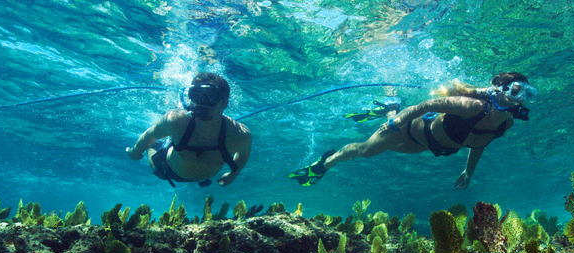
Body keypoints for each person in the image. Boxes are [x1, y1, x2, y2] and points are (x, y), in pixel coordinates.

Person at [288, 72, 537, 189]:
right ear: (500, 89)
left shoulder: (506, 123)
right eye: (517, 90)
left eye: (528, 93)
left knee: (392, 150)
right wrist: (396, 123)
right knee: (366, 151)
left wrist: (467, 172)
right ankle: (325, 164)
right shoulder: (471, 106)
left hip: (425, 145)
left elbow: (480, 144)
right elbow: (426, 105)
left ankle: (390, 107)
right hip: (407, 128)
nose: (522, 98)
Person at [127, 72, 252, 187]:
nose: (202, 102)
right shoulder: (176, 121)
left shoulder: (239, 135)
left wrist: (232, 175)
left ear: (224, 103)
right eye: (196, 95)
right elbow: (150, 135)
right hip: (166, 169)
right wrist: (135, 151)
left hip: (200, 177)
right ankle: (155, 147)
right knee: (153, 150)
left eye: (211, 96)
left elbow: (243, 154)